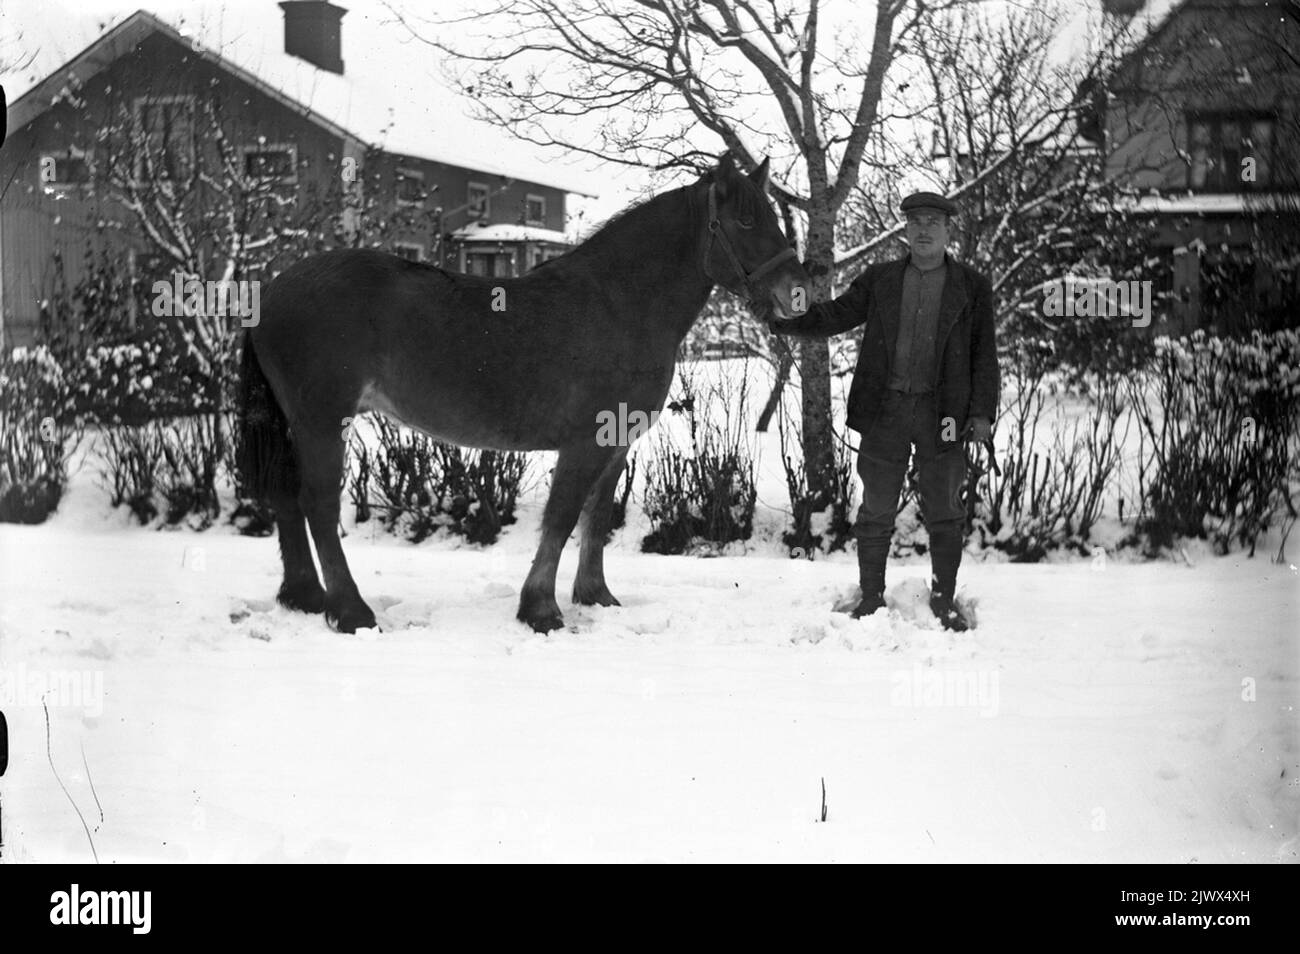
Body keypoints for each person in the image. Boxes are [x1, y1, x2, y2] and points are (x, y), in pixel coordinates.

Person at [769, 192, 998, 631]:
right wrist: (786, 319)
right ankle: (871, 597)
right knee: (875, 508)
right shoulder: (881, 280)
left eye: (933, 222)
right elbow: (835, 315)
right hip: (886, 410)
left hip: (944, 414)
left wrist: (981, 413)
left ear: (948, 230)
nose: (924, 230)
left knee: (945, 510)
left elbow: (984, 355)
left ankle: (944, 600)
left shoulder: (972, 287)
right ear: (906, 230)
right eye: (916, 222)